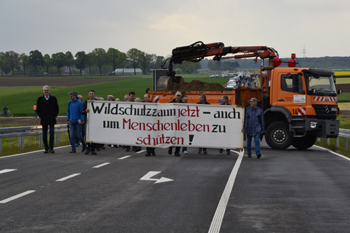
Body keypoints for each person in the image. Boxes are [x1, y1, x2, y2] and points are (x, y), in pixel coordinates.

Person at [36, 85, 59, 153]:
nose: (46, 91)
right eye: (45, 90)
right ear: (43, 91)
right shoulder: (40, 99)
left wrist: (54, 115)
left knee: (52, 133)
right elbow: (38, 109)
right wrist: (41, 116)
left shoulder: (53, 99)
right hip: (44, 119)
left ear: (49, 91)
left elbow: (56, 108)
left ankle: (51, 147)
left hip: (51, 118)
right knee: (44, 134)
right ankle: (46, 147)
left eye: (47, 90)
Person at [81, 89, 98, 155]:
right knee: (87, 135)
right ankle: (87, 148)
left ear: (94, 94)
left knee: (94, 135)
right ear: (88, 94)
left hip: (95, 122)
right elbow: (81, 111)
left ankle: (93, 149)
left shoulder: (97, 102)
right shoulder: (85, 102)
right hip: (87, 121)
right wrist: (85, 111)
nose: (91, 95)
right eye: (90, 94)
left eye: (92, 94)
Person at [168, 91, 183, 156]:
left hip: (179, 124)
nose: (178, 97)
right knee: (171, 136)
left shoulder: (183, 104)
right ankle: (170, 148)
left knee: (179, 137)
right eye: (177, 95)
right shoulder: (171, 103)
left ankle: (177, 151)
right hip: (172, 122)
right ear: (175, 96)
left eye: (179, 96)